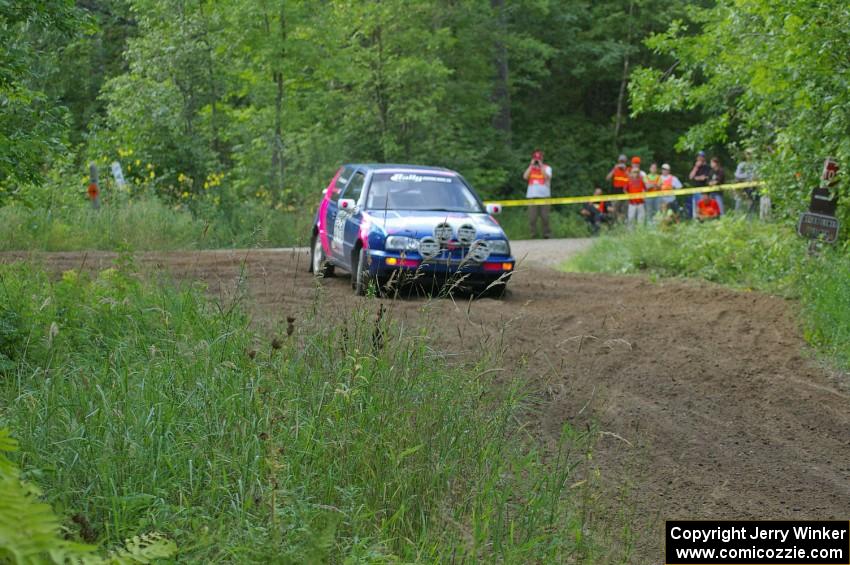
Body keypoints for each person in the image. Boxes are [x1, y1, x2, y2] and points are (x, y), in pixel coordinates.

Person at [523, 150, 552, 238]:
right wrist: (531, 165)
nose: (537, 160)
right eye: (535, 159)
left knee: (545, 217)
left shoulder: (547, 168)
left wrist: (541, 166)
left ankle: (546, 234)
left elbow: (546, 177)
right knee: (532, 218)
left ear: (542, 159)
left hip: (544, 196)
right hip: (532, 196)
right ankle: (533, 234)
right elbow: (525, 177)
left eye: (538, 159)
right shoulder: (531, 168)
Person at [605, 154, 629, 221]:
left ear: (625, 162)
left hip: (625, 193)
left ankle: (623, 226)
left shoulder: (628, 170)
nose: (622, 163)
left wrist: (626, 171)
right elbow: (607, 178)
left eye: (623, 161)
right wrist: (614, 169)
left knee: (624, 212)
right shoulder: (615, 169)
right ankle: (614, 225)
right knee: (614, 211)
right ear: (618, 161)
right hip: (616, 193)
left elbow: (632, 179)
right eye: (620, 161)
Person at [687, 151, 711, 219]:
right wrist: (696, 167)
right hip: (696, 189)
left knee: (703, 207)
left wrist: (697, 178)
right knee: (696, 207)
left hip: (704, 191)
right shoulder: (695, 166)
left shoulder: (707, 167)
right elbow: (691, 177)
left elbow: (705, 177)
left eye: (701, 156)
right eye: (698, 156)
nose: (699, 158)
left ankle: (704, 220)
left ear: (703, 158)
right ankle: (697, 220)